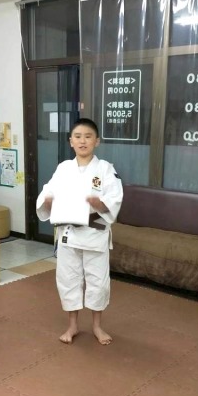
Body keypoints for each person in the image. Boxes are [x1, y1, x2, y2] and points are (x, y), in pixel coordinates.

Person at [36, 118, 123, 345]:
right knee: (68, 279)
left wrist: (99, 204)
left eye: (87, 136)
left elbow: (114, 199)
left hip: (95, 233)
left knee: (98, 282)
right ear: (71, 141)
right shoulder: (63, 168)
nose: (82, 141)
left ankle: (97, 326)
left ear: (97, 141)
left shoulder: (105, 169)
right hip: (69, 234)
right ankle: (72, 325)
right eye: (77, 136)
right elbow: (48, 193)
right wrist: (47, 201)